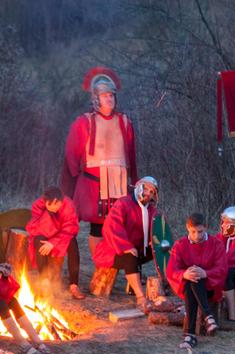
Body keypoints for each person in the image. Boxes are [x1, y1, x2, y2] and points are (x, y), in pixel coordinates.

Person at [61, 67, 138, 257]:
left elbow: (131, 155)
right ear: (96, 98)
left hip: (119, 184)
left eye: (111, 95)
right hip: (94, 185)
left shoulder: (125, 122)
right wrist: (70, 187)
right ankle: (100, 264)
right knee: (97, 227)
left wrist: (134, 182)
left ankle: (120, 264)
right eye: (104, 96)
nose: (109, 99)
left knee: (120, 224)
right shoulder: (84, 122)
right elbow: (71, 154)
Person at [93, 177, 158, 308]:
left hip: (136, 248)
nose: (148, 193)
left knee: (155, 251)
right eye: (146, 188)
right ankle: (140, 297)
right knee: (130, 258)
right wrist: (125, 246)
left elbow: (155, 230)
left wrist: (154, 241)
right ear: (139, 186)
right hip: (112, 250)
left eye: (151, 192)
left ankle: (162, 285)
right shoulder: (123, 203)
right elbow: (112, 227)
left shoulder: (151, 210)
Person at [167, 213, 227, 349]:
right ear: (188, 228)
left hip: (210, 288)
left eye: (200, 231)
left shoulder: (216, 244)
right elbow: (171, 271)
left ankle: (189, 335)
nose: (197, 235)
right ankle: (208, 316)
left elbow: (222, 269)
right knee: (191, 279)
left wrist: (206, 273)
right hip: (189, 287)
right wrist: (184, 274)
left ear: (205, 228)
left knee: (195, 278)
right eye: (193, 232)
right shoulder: (180, 245)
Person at [25, 187, 84, 299]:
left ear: (59, 201)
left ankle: (74, 285)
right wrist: (48, 215)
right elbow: (36, 227)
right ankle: (44, 282)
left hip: (63, 235)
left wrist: (53, 243)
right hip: (46, 232)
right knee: (38, 240)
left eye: (56, 205)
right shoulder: (39, 204)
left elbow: (70, 229)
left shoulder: (68, 206)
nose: (54, 208)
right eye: (49, 205)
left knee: (73, 243)